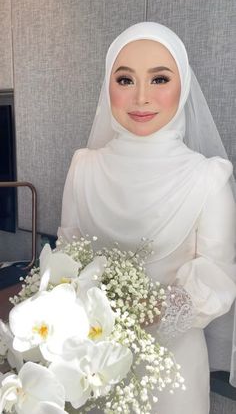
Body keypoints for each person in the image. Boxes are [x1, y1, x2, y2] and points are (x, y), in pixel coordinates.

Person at [58, 22, 236, 413]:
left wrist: (156, 307)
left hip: (171, 369)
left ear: (183, 85)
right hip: (93, 358)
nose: (141, 96)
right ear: (108, 87)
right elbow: (67, 259)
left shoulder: (207, 178)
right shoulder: (83, 168)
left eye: (159, 79)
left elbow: (217, 278)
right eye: (125, 79)